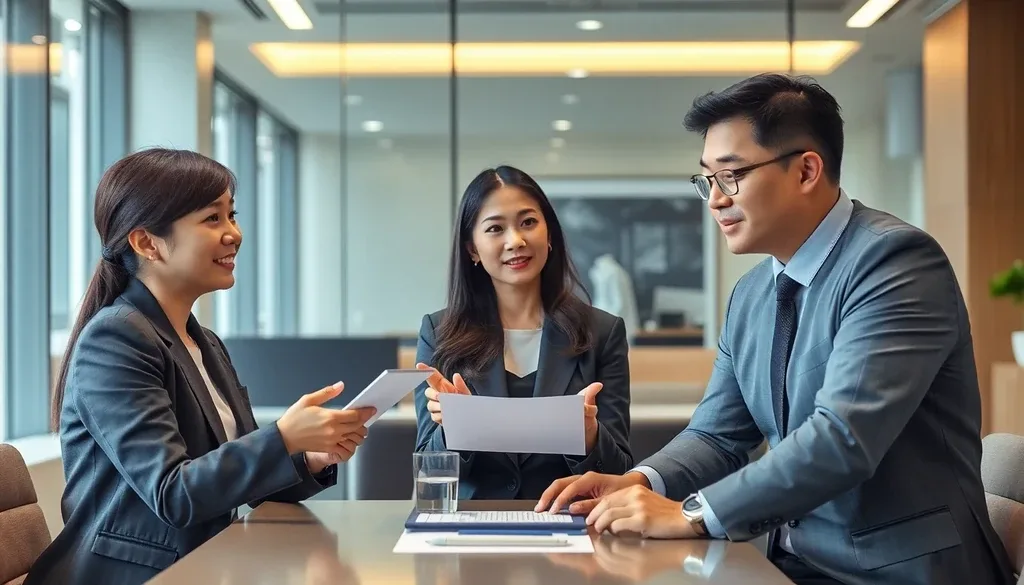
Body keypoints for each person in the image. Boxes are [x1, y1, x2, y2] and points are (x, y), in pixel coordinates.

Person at [535, 74, 1016, 585]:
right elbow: (717, 436)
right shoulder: (752, 295)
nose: (715, 199)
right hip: (785, 564)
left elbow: (843, 438)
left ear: (807, 170)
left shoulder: (893, 261)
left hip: (895, 572)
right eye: (707, 180)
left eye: (731, 175)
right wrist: (637, 483)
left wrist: (691, 513)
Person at [25, 149, 375, 585]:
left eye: (232, 215)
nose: (234, 234)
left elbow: (248, 480)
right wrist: (282, 437)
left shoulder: (204, 343)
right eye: (212, 219)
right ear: (146, 242)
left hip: (206, 565)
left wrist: (310, 456)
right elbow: (174, 494)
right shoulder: (114, 338)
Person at [413, 165, 633, 501]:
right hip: (473, 534)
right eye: (495, 228)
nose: (515, 241)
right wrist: (456, 428)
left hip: (573, 531)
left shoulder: (603, 332)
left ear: (549, 234)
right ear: (472, 249)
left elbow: (619, 474)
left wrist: (589, 436)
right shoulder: (439, 334)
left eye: (528, 222)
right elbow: (430, 478)